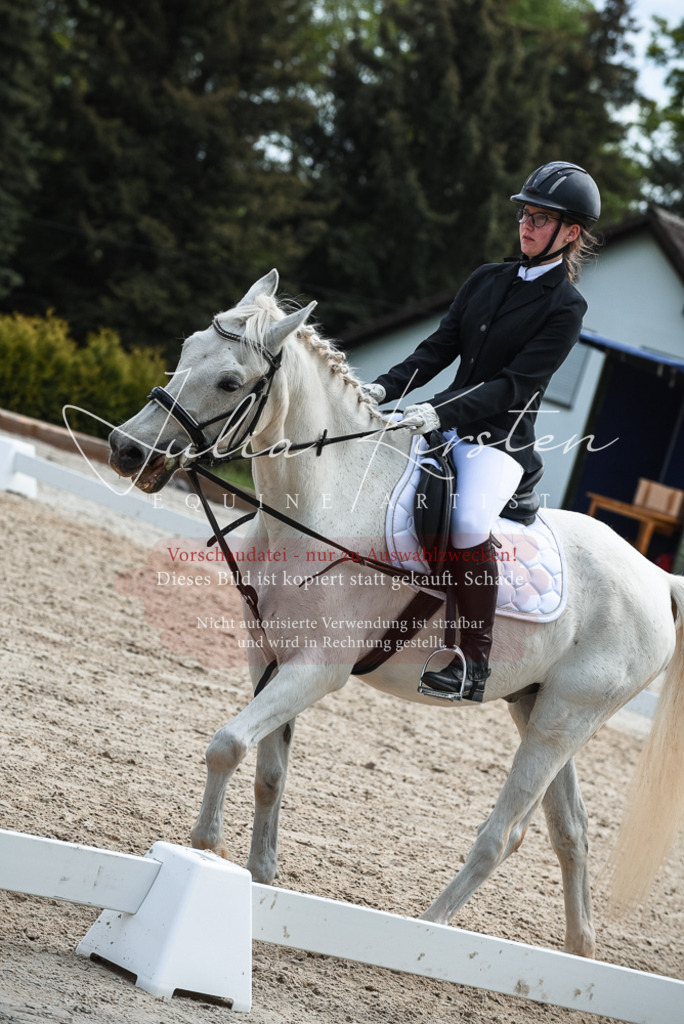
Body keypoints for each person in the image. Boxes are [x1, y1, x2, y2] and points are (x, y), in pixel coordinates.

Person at [364, 161, 600, 700]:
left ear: (570, 233)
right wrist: (382, 389)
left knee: (468, 522)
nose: (527, 225)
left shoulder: (566, 307)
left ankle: (471, 661)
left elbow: (515, 385)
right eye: (525, 213)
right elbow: (437, 350)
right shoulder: (486, 278)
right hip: (440, 425)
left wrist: (441, 412)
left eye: (542, 218)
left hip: (499, 442)